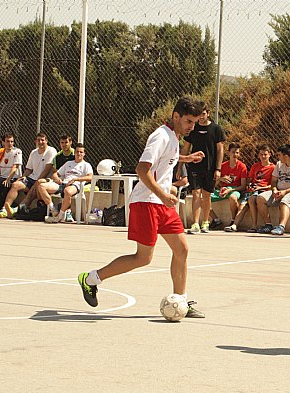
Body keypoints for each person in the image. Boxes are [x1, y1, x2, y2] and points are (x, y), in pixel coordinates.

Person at [77, 97, 207, 319]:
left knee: (182, 249)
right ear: (176, 116)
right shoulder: (160, 136)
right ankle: (90, 279)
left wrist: (186, 158)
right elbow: (142, 169)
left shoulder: (174, 137)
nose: (191, 127)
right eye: (188, 122)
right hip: (147, 202)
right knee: (143, 258)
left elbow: (167, 159)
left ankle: (181, 300)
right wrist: (163, 195)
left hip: (162, 203)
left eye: (194, 123)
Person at [181, 104, 225, 234]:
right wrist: (180, 166)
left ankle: (205, 222)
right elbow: (186, 147)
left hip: (210, 167)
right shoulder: (193, 128)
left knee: (206, 195)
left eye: (203, 114)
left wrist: (218, 168)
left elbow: (220, 149)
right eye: (199, 115)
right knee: (195, 193)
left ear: (208, 113)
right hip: (195, 167)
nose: (201, 117)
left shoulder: (216, 129)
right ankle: (195, 223)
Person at [256, 144, 290, 235]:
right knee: (260, 198)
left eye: (279, 155)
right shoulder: (279, 164)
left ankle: (281, 226)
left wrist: (285, 191)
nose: (278, 157)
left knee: (285, 200)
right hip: (279, 191)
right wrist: (274, 190)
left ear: (286, 156)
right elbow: (274, 181)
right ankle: (268, 225)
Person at [2, 133, 57, 218]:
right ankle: (4, 210)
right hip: (32, 178)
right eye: (38, 140)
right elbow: (29, 169)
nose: (40, 142)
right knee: (16, 184)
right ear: (35, 141)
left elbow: (47, 169)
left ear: (46, 141)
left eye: (42, 140)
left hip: (44, 180)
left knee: (38, 183)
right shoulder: (33, 152)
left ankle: (18, 209)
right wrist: (23, 177)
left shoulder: (51, 151)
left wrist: (35, 184)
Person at [35, 144, 93, 223]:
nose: (79, 154)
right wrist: (57, 178)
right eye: (77, 152)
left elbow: (90, 177)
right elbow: (55, 174)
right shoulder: (68, 163)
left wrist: (76, 179)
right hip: (63, 183)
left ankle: (60, 216)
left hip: (75, 185)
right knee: (41, 186)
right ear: (74, 153)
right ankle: (53, 209)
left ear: (84, 154)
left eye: (81, 152)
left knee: (67, 191)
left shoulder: (86, 165)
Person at [210, 143, 247, 231]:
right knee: (204, 199)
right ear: (228, 153)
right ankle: (216, 220)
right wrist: (220, 179)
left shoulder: (242, 167)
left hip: (235, 190)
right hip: (222, 190)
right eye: (233, 152)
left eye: (237, 152)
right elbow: (213, 185)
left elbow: (243, 186)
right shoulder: (222, 166)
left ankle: (233, 221)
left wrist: (230, 190)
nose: (235, 155)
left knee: (233, 197)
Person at [241, 144, 275, 233]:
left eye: (265, 154)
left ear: (269, 155)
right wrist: (250, 185)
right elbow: (249, 179)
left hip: (265, 190)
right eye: (261, 154)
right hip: (254, 190)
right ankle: (254, 225)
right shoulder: (255, 166)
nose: (263, 156)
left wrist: (261, 187)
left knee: (254, 199)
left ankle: (264, 224)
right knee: (250, 200)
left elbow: (274, 185)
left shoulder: (273, 167)